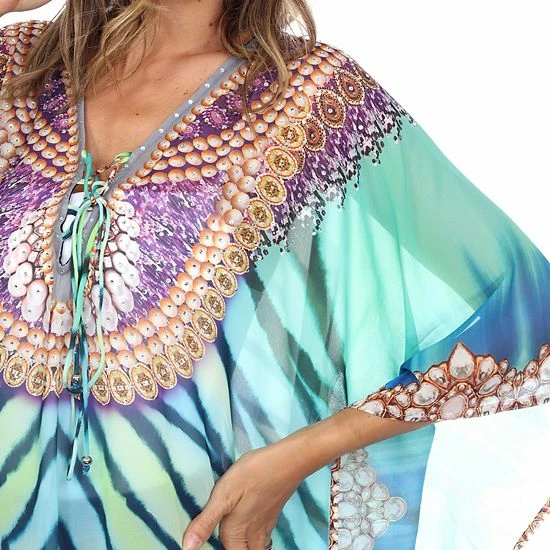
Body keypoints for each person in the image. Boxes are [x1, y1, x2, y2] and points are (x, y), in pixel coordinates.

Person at [0, 1, 548, 549]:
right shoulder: (16, 65)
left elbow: (522, 310)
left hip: (188, 525)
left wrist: (295, 459)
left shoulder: (310, 96)